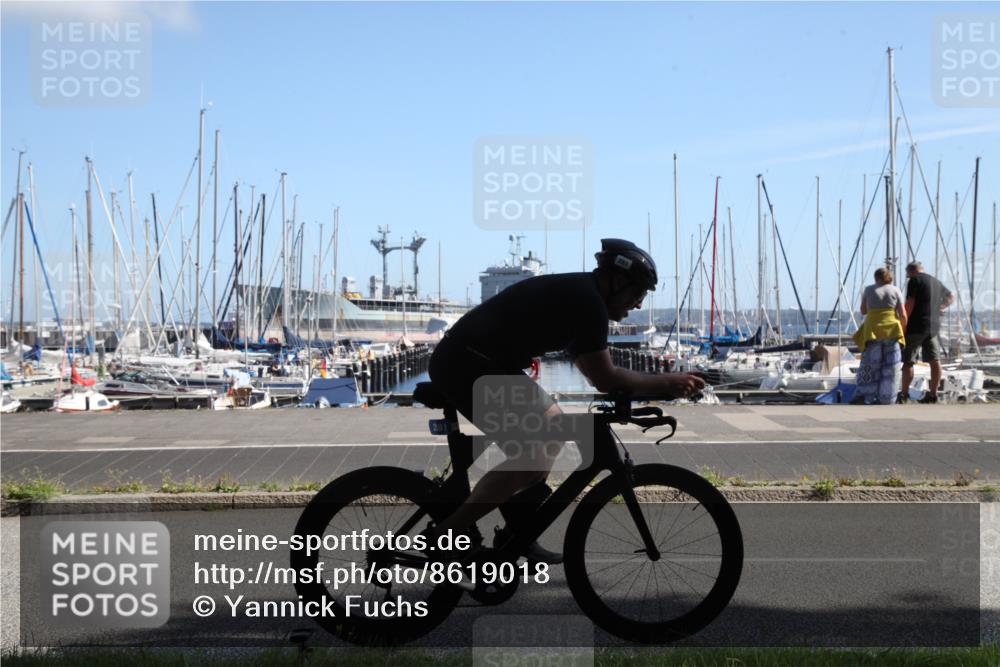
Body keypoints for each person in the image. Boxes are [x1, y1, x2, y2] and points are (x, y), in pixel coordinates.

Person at [426, 238, 705, 564]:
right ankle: (447, 536)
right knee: (535, 451)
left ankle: (517, 535)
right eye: (638, 292)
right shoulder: (588, 303)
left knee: (552, 434)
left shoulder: (582, 296)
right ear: (616, 281)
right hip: (466, 364)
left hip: (479, 362)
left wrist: (656, 387)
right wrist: (667, 382)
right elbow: (606, 378)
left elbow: (594, 373)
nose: (639, 303)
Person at [900, 261, 954, 403]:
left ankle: (904, 395)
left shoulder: (914, 280)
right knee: (935, 361)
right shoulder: (935, 281)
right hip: (933, 327)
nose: (908, 277)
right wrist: (941, 307)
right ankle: (933, 395)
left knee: (908, 362)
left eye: (907, 274)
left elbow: (910, 303)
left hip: (916, 326)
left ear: (911, 271)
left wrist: (903, 323)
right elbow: (951, 296)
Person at [852, 267, 907, 404]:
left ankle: (865, 396)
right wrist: (902, 331)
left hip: (873, 330)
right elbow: (903, 315)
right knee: (891, 367)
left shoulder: (869, 289)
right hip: (892, 330)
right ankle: (887, 398)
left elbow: (863, 311)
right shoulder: (896, 290)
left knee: (869, 365)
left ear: (876, 277)